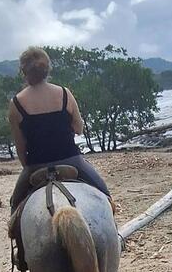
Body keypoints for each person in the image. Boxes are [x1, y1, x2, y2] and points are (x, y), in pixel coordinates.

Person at [8, 47, 112, 212]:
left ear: (23, 71)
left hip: (36, 164)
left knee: (15, 207)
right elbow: (78, 128)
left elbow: (20, 148)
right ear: (47, 69)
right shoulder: (64, 94)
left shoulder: (16, 103)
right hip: (71, 159)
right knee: (105, 196)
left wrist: (28, 168)